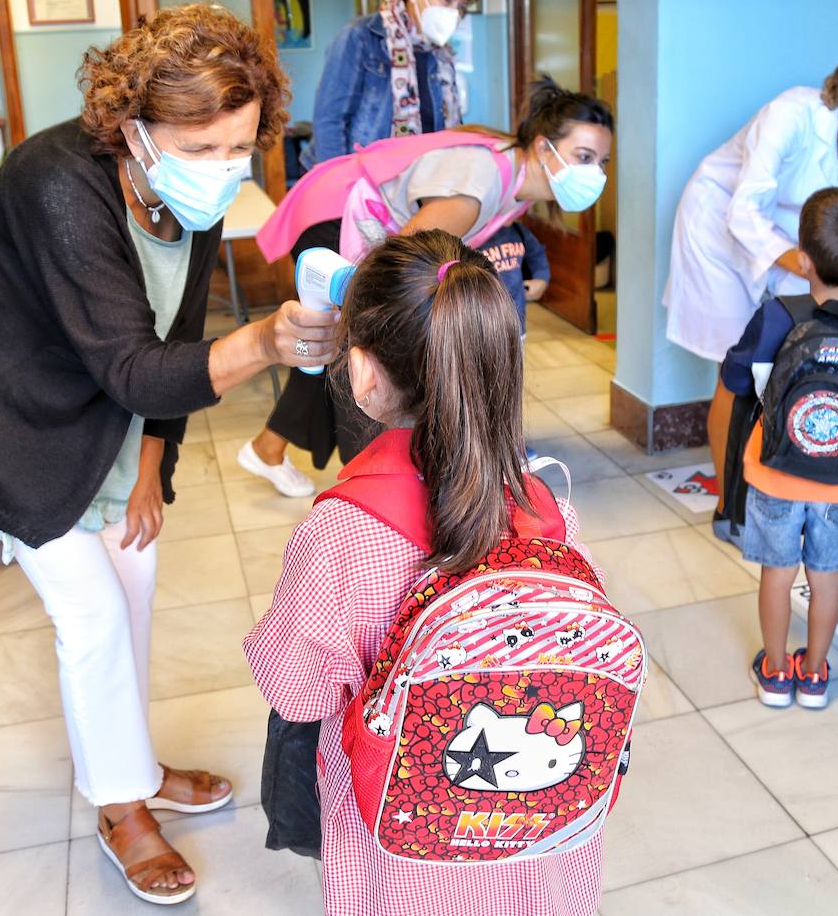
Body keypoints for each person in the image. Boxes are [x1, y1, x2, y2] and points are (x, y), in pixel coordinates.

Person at [0, 5, 339, 905]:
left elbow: (175, 328)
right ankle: (120, 808)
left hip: (100, 404)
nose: (224, 170)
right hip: (4, 409)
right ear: (133, 127)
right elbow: (138, 366)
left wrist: (153, 463)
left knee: (134, 579)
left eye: (241, 146)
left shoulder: (192, 190)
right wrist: (263, 342)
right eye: (202, 147)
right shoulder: (59, 183)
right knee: (93, 614)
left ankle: (130, 766)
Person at [245, 230, 606, 916]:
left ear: (363, 374)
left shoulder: (341, 532)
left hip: (407, 857)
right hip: (540, 840)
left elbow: (296, 692)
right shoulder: (551, 510)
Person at [237, 77, 612, 495]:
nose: (594, 172)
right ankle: (372, 486)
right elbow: (404, 273)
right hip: (336, 222)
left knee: (330, 345)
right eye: (584, 156)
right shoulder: (481, 184)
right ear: (544, 147)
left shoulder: (516, 184)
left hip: (363, 222)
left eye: (601, 161)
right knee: (360, 348)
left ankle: (268, 448)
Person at [713, 188, 838, 710]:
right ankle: (816, 674)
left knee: (777, 575)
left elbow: (736, 376)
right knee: (827, 578)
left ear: (803, 259)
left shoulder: (779, 314)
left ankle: (775, 673)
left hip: (774, 472)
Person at [662, 25, 838, 380]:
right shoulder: (791, 112)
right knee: (737, 362)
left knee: (799, 341)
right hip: (720, 219)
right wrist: (807, 266)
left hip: (796, 237)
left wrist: (832, 275)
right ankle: (735, 436)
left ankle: (776, 433)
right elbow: (744, 211)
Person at [304, 0, 481, 167]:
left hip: (417, 179)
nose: (453, 13)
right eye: (446, 1)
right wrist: (338, 182)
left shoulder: (440, 55)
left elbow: (445, 126)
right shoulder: (362, 36)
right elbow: (329, 120)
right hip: (364, 177)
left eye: (460, 8)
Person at [479, 218, 550, 335]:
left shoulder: (518, 230)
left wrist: (541, 279)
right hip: (483, 328)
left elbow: (537, 255)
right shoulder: (472, 235)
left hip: (517, 325)